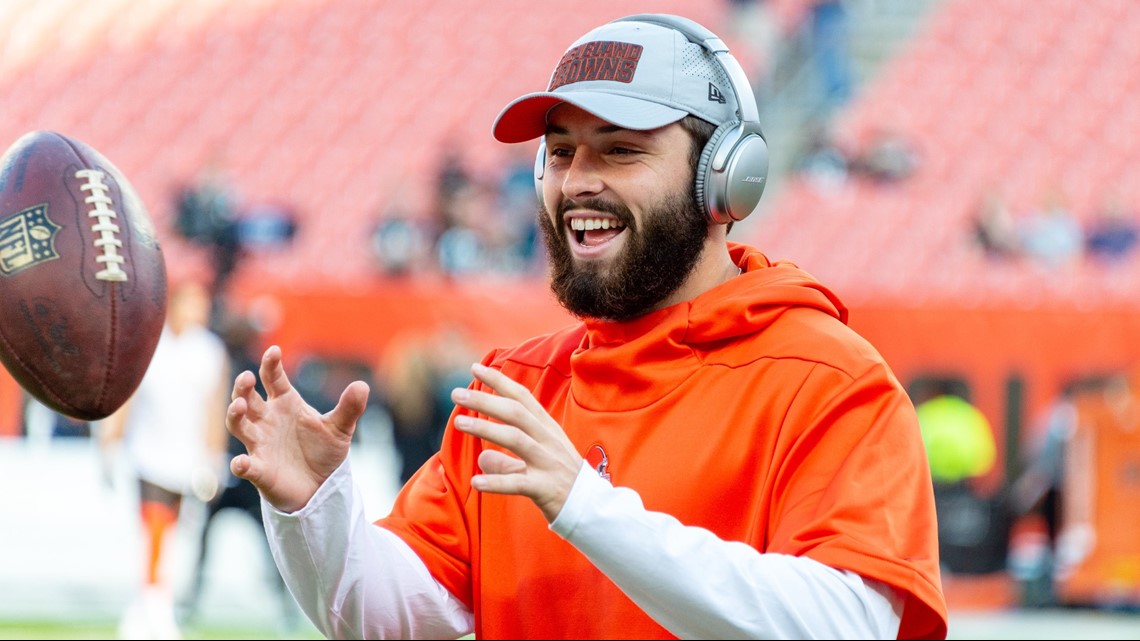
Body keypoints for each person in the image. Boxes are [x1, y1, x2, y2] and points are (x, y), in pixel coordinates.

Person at [225, 13, 948, 640]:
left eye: (621, 149)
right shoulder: (519, 387)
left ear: (727, 178)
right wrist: (312, 510)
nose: (577, 181)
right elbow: (386, 616)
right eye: (561, 151)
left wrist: (587, 507)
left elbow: (846, 625)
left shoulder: (831, 381)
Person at [100, 278, 231, 639]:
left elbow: (213, 409)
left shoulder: (210, 351)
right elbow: (128, 397)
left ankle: (154, 602)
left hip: (188, 459)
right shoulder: (152, 346)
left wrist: (213, 458)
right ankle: (154, 606)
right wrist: (111, 443)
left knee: (177, 534)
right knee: (154, 528)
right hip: (149, 452)